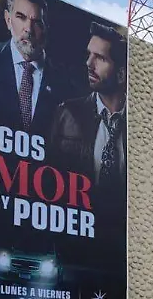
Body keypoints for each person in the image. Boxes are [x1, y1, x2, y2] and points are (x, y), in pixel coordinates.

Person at [0, 0, 66, 136]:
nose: (28, 28)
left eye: (36, 22)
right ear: (8, 20)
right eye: (21, 17)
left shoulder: (65, 84)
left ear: (46, 27)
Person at [48, 22, 127, 199]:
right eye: (89, 55)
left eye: (100, 58)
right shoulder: (67, 114)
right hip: (79, 221)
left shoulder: (141, 125)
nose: (89, 63)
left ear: (121, 74)